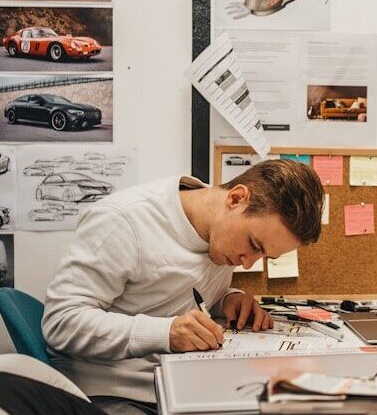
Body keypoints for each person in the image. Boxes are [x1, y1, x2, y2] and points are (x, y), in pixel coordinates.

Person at [41, 159, 324, 415]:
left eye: (264, 256)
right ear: (236, 198)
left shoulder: (220, 236)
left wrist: (227, 300)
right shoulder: (123, 221)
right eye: (253, 245)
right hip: (113, 393)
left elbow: (181, 292)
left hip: (184, 383)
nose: (248, 264)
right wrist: (166, 333)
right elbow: (61, 322)